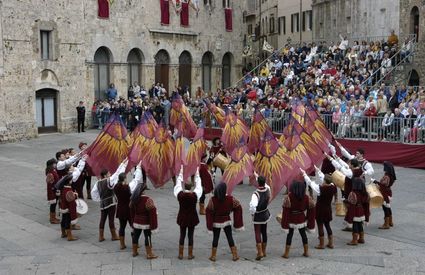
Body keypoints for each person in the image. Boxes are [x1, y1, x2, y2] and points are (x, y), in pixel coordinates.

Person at [91, 159, 128, 242]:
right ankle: (114, 235)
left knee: (102, 219)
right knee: (111, 219)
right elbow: (117, 173)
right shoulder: (109, 180)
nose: (110, 174)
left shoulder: (98, 183)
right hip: (111, 202)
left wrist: (100, 199)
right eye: (108, 173)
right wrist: (123, 165)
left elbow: (93, 193)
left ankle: (101, 236)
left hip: (102, 203)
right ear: (105, 175)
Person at [206, 182, 244, 262]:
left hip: (216, 222)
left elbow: (209, 210)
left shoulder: (213, 199)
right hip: (227, 220)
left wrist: (210, 223)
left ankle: (213, 256)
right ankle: (234, 255)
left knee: (215, 238)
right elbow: (238, 206)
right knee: (230, 237)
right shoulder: (231, 198)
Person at [302, 166, 337, 249]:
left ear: (325, 181)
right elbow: (323, 177)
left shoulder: (320, 189)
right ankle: (331, 243)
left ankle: (321, 244)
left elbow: (310, 183)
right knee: (327, 225)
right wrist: (318, 170)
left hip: (320, 209)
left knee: (320, 225)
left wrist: (304, 175)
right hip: (328, 209)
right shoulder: (332, 186)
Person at [327, 153, 363, 231]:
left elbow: (341, 168)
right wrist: (337, 158)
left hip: (351, 194)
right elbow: (345, 166)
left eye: (349, 163)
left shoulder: (351, 173)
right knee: (352, 210)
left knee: (351, 210)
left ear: (352, 165)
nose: (348, 164)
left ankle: (353, 226)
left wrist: (331, 159)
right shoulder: (358, 169)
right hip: (356, 193)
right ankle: (352, 225)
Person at [280, 180, 315, 259]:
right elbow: (311, 207)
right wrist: (308, 219)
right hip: (301, 218)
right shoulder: (306, 197)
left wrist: (284, 221)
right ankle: (306, 252)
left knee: (289, 235)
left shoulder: (289, 196)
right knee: (303, 235)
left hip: (291, 218)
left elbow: (285, 209)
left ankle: (286, 253)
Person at [173, 166, 202, 260]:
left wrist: (181, 172)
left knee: (182, 235)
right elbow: (199, 186)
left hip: (182, 217)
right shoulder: (194, 196)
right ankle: (190, 254)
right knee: (190, 235)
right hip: (192, 218)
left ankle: (180, 254)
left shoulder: (180, 195)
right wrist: (197, 173)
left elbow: (177, 184)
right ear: (191, 187)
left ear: (184, 186)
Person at [114, 162, 143, 250]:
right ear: (125, 179)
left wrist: (123, 165)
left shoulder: (116, 187)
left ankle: (122, 244)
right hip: (129, 209)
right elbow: (136, 180)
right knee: (133, 226)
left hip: (120, 208)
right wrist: (138, 169)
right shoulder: (127, 187)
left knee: (122, 227)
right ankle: (135, 243)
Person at [129, 181, 158, 259]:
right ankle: (149, 254)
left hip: (136, 221)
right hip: (146, 222)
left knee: (136, 236)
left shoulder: (134, 199)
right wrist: (153, 225)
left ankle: (134, 252)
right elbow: (152, 213)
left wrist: (132, 222)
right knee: (147, 237)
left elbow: (131, 211)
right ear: (144, 190)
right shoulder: (148, 200)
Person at [249, 175, 271, 260]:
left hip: (258, 215)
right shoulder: (268, 189)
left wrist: (252, 214)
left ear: (258, 182)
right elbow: (267, 186)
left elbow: (253, 207)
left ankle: (260, 252)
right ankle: (264, 251)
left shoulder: (255, 194)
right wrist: (257, 176)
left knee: (257, 232)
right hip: (265, 213)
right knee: (264, 231)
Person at [345, 178, 370, 245]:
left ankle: (354, 240)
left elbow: (351, 206)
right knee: (360, 224)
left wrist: (349, 218)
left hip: (355, 211)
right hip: (361, 210)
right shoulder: (365, 193)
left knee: (355, 224)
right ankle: (361, 238)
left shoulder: (353, 194)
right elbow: (366, 204)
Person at [56, 174, 79, 241]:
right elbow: (71, 203)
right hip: (68, 209)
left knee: (63, 219)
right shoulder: (69, 191)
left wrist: (74, 194)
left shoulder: (63, 188)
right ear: (69, 181)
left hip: (63, 207)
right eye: (71, 180)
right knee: (68, 221)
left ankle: (63, 233)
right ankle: (69, 236)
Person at [374, 161, 396, 229]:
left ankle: (386, 224)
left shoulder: (387, 176)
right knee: (388, 207)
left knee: (385, 208)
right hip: (388, 192)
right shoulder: (392, 175)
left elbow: (382, 185)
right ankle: (390, 221)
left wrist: (375, 181)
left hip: (384, 193)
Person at [46, 158, 60, 224]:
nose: (56, 164)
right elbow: (50, 186)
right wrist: (53, 194)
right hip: (53, 192)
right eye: (54, 163)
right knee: (53, 205)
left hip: (56, 190)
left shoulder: (53, 171)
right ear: (51, 165)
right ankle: (52, 219)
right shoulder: (50, 173)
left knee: (54, 205)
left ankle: (53, 217)